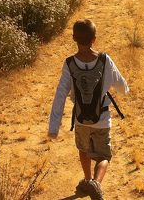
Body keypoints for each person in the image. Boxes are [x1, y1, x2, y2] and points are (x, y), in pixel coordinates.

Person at [48, 19, 129, 200]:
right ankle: (96, 183)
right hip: (102, 119)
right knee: (104, 156)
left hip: (81, 119)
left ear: (73, 38)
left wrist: (53, 128)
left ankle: (87, 180)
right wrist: (125, 90)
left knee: (83, 149)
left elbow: (60, 94)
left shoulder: (69, 63)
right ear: (94, 39)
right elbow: (122, 87)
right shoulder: (105, 60)